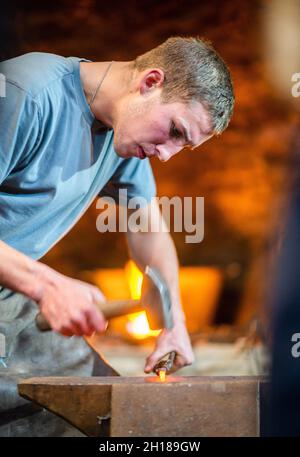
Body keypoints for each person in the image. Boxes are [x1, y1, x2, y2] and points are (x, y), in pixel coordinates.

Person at [0, 36, 234, 436]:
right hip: (20, 288)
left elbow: (148, 227)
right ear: (150, 81)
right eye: (175, 130)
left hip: (7, 295)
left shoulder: (120, 134)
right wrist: (45, 284)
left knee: (103, 413)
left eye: (184, 146)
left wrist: (173, 320)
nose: (168, 154)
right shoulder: (25, 93)